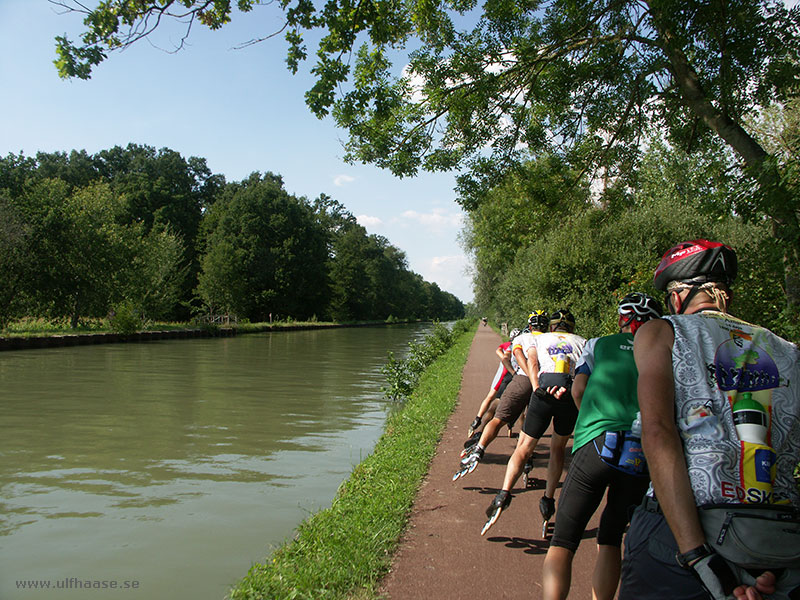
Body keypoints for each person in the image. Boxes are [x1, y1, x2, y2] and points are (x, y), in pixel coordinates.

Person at [619, 240, 800, 600]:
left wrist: (697, 555)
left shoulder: (661, 332)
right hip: (776, 542)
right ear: (725, 296)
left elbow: (657, 431)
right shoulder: (788, 351)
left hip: (683, 532)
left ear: (678, 297)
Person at [542, 293, 662, 600]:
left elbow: (579, 388)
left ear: (622, 319)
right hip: (641, 452)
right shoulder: (666, 352)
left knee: (564, 541)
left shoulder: (598, 344)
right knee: (610, 538)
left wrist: (590, 419)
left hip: (597, 441)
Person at [482, 309, 586, 535]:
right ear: (572, 327)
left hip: (544, 390)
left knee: (524, 447)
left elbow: (531, 362)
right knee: (558, 448)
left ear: (552, 327)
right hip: (567, 393)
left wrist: (538, 389)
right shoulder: (583, 342)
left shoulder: (540, 339)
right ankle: (548, 500)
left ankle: (504, 493)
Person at [455, 311, 550, 480]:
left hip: (522, 379)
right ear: (547, 326)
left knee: (498, 419)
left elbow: (516, 356)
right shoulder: (551, 339)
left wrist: (523, 374)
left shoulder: (522, 338)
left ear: (530, 326)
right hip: (545, 381)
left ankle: (479, 450)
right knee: (528, 423)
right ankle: (526, 459)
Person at [467, 328, 520, 436]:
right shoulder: (520, 346)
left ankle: (477, 420)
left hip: (504, 374)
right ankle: (510, 426)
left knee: (491, 397)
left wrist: (504, 357)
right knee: (518, 404)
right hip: (510, 374)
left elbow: (498, 351)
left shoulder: (507, 345)